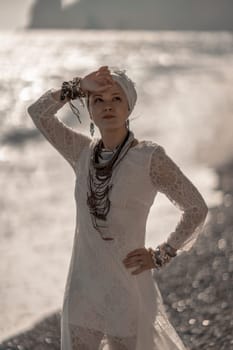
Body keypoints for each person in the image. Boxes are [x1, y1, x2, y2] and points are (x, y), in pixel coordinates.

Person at [27, 65, 208, 350]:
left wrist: (161, 254)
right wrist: (77, 87)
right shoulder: (82, 153)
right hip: (82, 288)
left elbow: (196, 208)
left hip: (126, 286)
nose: (107, 106)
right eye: (98, 100)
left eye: (116, 99)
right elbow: (38, 113)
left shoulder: (150, 158)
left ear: (129, 106)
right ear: (89, 109)